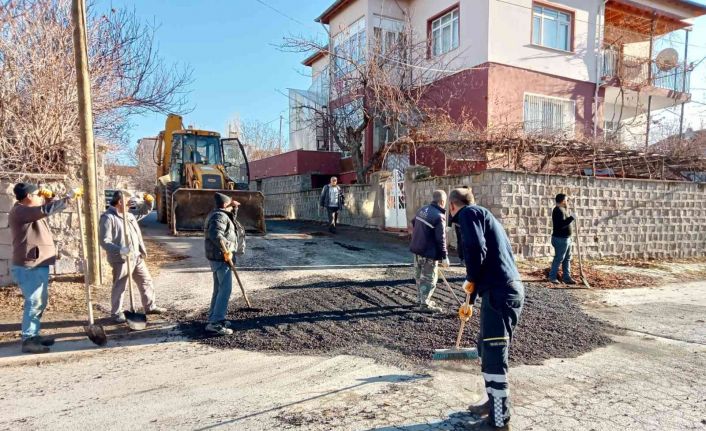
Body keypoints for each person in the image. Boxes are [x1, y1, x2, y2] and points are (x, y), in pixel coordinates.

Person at [448, 187, 524, 430]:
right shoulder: (484, 215)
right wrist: (469, 301)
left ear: (452, 206)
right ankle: (492, 402)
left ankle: (500, 419)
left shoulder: (469, 214)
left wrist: (471, 278)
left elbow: (474, 249)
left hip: (500, 293)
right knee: (485, 344)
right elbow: (486, 255)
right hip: (502, 291)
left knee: (494, 354)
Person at [9, 183, 79, 353]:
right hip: (29, 265)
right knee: (34, 302)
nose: (40, 197)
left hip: (37, 263)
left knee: (40, 302)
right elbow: (46, 210)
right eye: (37, 195)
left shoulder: (29, 210)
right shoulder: (20, 211)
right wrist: (68, 198)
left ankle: (34, 334)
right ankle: (28, 339)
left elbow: (46, 208)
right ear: (28, 197)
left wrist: (50, 198)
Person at [99, 191, 165, 323]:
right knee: (120, 285)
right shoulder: (108, 218)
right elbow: (104, 241)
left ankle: (150, 306)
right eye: (128, 201)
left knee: (146, 280)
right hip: (121, 259)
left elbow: (144, 211)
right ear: (120, 202)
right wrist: (120, 250)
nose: (131, 203)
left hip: (136, 256)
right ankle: (116, 313)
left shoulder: (129, 215)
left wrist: (149, 201)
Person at [203, 192, 241, 336]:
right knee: (225, 290)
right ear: (225, 205)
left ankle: (214, 317)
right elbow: (215, 234)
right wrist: (226, 250)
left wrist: (234, 209)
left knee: (218, 289)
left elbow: (229, 225)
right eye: (230, 204)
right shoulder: (219, 216)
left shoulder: (220, 215)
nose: (232, 206)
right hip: (220, 257)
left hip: (218, 257)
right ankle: (215, 323)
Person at [409, 190, 450, 313]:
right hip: (428, 253)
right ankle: (425, 304)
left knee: (418, 276)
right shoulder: (439, 216)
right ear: (442, 201)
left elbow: (413, 222)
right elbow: (441, 238)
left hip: (416, 249)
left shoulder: (422, 210)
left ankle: (420, 299)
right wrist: (444, 256)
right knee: (429, 278)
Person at [549, 193, 576, 285]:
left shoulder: (563, 209)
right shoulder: (557, 211)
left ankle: (566, 277)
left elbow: (565, 222)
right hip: (560, 239)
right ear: (563, 201)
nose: (567, 202)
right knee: (559, 258)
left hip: (566, 238)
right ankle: (552, 277)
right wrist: (571, 218)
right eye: (566, 200)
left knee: (567, 258)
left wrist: (570, 216)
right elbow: (561, 225)